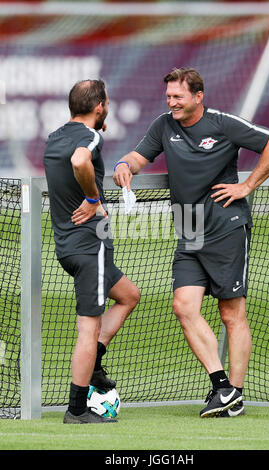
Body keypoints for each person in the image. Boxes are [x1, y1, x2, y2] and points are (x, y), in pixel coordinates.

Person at [113, 67, 269, 418]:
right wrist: (124, 163)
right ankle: (222, 387)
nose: (172, 103)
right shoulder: (164, 125)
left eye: (178, 97)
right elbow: (138, 156)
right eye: (168, 97)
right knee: (183, 306)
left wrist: (247, 186)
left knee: (231, 312)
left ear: (198, 96)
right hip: (189, 233)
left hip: (226, 228)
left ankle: (235, 394)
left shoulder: (223, 123)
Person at [44, 79, 140, 424]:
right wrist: (93, 200)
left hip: (68, 247)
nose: (108, 109)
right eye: (107, 104)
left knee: (129, 295)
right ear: (99, 107)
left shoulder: (54, 136)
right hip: (89, 247)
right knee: (87, 329)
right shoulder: (91, 136)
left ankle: (96, 362)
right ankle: (77, 410)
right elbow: (81, 161)